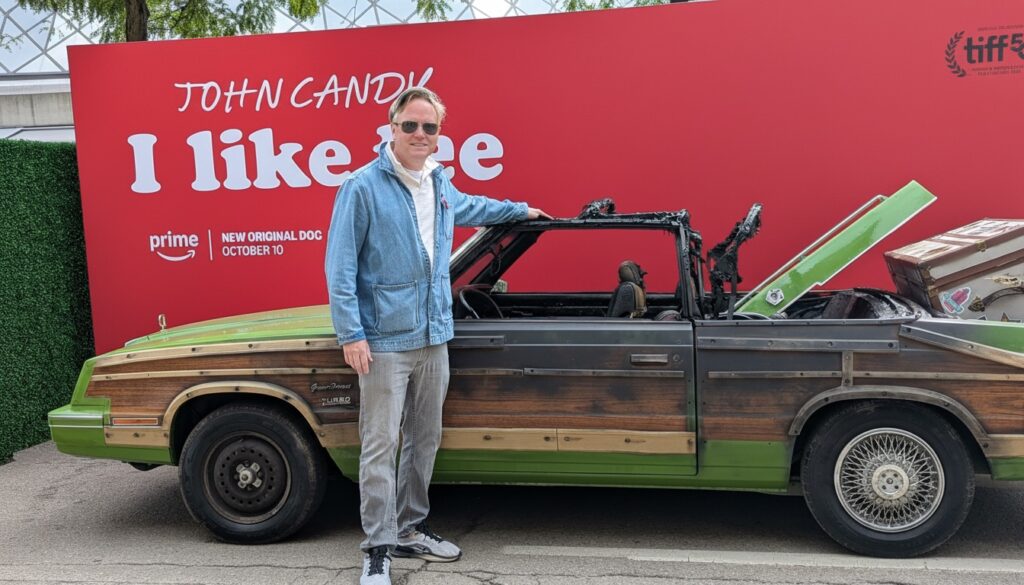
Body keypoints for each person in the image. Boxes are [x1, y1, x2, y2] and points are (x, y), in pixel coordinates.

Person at [325, 87, 551, 585]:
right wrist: (351, 334)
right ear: (391, 128)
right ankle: (378, 548)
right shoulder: (361, 187)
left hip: (433, 335)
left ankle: (410, 529)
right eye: (410, 125)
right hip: (384, 340)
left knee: (424, 439)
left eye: (429, 127)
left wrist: (522, 211)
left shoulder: (440, 183)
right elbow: (339, 268)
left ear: (439, 134)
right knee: (380, 444)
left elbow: (477, 207)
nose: (419, 134)